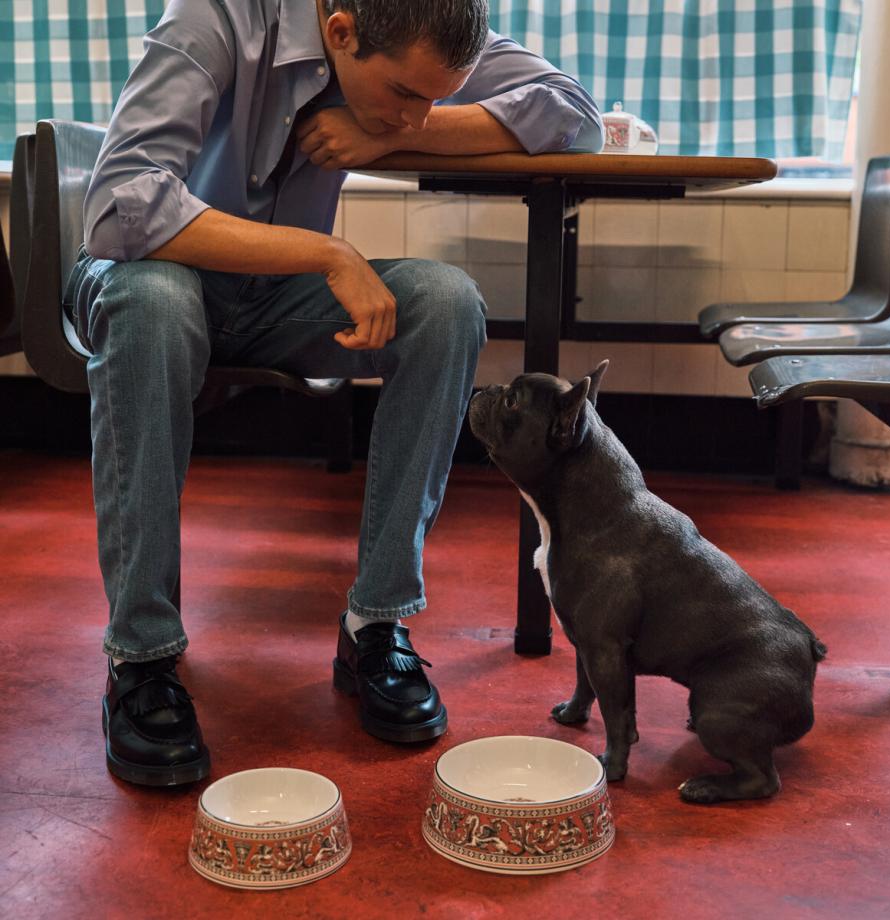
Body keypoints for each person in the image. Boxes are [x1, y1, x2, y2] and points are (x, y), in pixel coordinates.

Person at [68, 0, 603, 787]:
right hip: (147, 276)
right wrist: (325, 253)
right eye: (404, 95)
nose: (422, 114)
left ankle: (376, 624)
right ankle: (141, 658)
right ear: (342, 30)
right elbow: (123, 207)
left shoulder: (421, 22)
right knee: (155, 303)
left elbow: (575, 116)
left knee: (445, 303)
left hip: (269, 297)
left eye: (435, 97)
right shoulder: (215, 19)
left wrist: (393, 126)